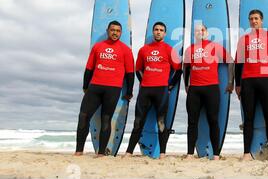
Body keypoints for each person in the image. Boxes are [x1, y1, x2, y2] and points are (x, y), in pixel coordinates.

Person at [75, 20, 135, 157]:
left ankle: (101, 153)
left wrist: (129, 91)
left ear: (121, 33)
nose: (115, 33)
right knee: (83, 116)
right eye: (113, 30)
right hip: (95, 87)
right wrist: (85, 86)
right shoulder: (98, 47)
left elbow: (130, 73)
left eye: (118, 31)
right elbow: (89, 68)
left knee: (106, 119)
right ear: (108, 31)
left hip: (113, 89)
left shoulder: (125, 50)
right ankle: (79, 151)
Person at [235, 9, 268, 162]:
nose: (254, 21)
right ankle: (246, 153)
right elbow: (238, 63)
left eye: (256, 18)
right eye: (251, 19)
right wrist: (238, 84)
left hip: (266, 80)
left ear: (262, 20)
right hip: (248, 81)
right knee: (248, 118)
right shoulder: (243, 39)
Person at [123, 22, 182, 159]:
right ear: (153, 32)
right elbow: (138, 69)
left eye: (161, 30)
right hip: (145, 91)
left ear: (165, 33)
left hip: (161, 91)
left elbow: (179, 70)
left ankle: (162, 153)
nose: (158, 32)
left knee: (161, 122)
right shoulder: (144, 50)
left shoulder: (169, 49)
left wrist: (170, 85)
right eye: (156, 29)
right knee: (138, 122)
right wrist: (143, 81)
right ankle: (128, 152)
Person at [183, 24, 234, 160]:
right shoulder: (190, 49)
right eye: (197, 31)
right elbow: (185, 67)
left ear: (206, 32)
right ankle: (189, 154)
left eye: (203, 30)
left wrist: (230, 82)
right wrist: (186, 84)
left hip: (211, 88)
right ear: (195, 34)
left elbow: (230, 61)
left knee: (213, 120)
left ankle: (216, 154)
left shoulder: (215, 47)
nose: (200, 32)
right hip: (194, 89)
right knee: (192, 122)